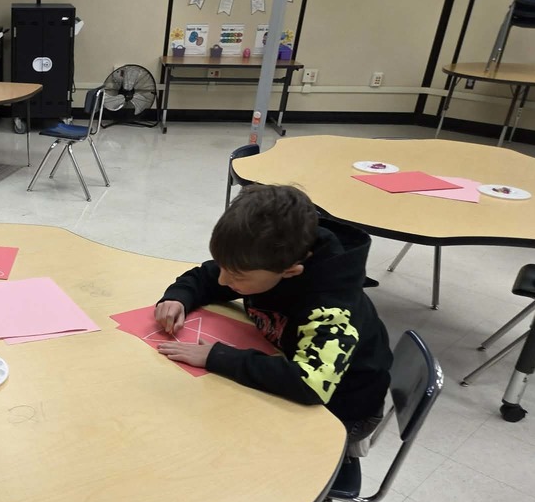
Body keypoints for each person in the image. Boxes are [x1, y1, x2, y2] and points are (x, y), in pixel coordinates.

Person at [154, 184, 392, 461]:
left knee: (243, 456)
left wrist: (217, 357)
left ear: (290, 271)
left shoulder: (332, 308)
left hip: (344, 409)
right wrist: (178, 297)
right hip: (292, 365)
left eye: (236, 276)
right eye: (223, 267)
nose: (223, 281)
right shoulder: (263, 261)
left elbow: (310, 384)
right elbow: (207, 278)